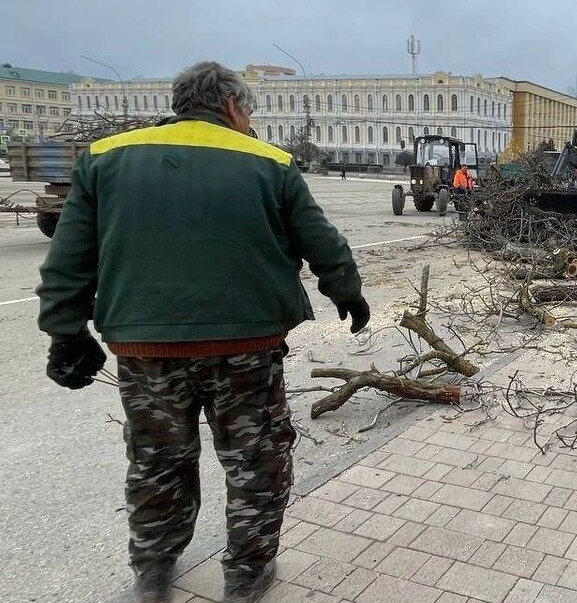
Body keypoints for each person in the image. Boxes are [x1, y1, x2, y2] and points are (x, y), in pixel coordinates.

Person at [36, 61, 370, 603]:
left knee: (157, 458)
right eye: (250, 112)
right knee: (255, 460)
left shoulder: (106, 158)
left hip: (145, 348)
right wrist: (347, 294)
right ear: (234, 106)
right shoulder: (269, 162)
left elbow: (69, 257)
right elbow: (322, 242)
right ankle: (246, 573)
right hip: (246, 348)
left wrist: (64, 330)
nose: (249, 122)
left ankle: (153, 569)